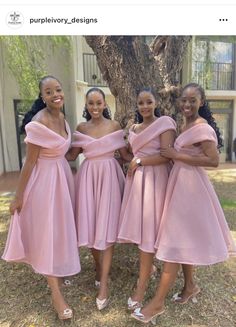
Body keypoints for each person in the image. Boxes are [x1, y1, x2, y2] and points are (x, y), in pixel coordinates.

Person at [131, 83, 236, 324]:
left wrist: (176, 155)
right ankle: (190, 286)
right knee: (183, 239)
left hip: (191, 190)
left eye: (192, 100)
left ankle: (156, 304)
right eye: (184, 100)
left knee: (174, 242)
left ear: (202, 102)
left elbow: (212, 160)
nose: (187, 104)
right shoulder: (184, 124)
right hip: (179, 184)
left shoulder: (202, 127)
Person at [2, 76, 81, 320]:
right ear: (42, 96)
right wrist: (18, 195)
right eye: (49, 92)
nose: (55, 94)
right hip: (44, 183)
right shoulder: (39, 123)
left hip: (62, 178)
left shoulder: (62, 118)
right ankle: (56, 295)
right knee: (48, 232)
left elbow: (64, 153)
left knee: (60, 229)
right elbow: (29, 163)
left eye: (58, 89)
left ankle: (59, 270)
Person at [66, 87, 132, 310]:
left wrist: (147, 156)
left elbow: (124, 157)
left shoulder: (114, 126)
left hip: (110, 178)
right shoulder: (81, 128)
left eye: (98, 103)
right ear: (86, 105)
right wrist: (46, 152)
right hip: (87, 178)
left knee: (107, 227)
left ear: (105, 104)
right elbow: (72, 156)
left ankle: (103, 284)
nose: (95, 107)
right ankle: (98, 265)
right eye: (91, 103)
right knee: (91, 226)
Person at [117, 88, 176, 310]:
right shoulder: (134, 128)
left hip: (157, 180)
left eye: (149, 102)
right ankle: (147, 271)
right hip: (138, 183)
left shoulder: (165, 123)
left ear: (156, 102)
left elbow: (165, 155)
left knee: (151, 231)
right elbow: (131, 153)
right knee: (142, 231)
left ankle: (141, 288)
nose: (145, 107)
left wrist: (139, 162)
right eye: (141, 103)